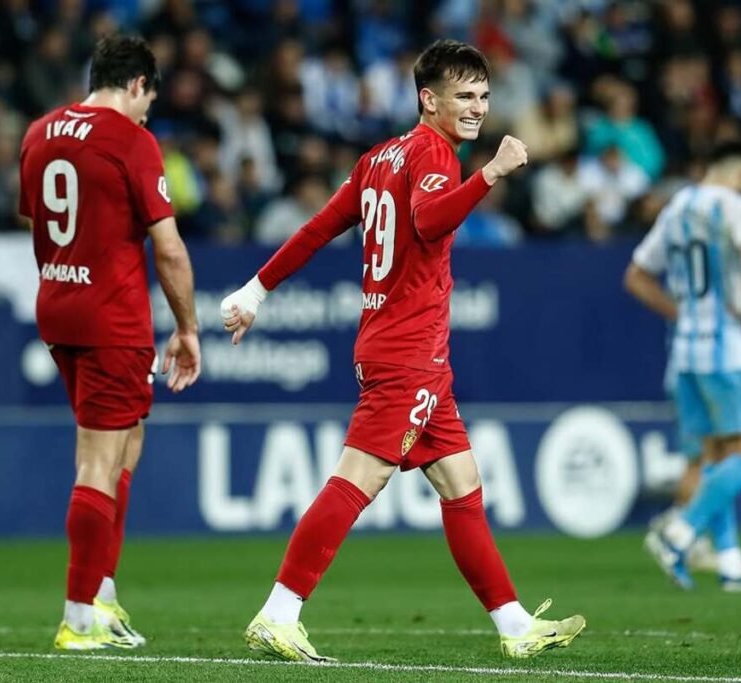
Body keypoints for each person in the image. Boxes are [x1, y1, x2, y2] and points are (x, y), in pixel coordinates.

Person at [220, 39, 585, 662]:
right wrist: (491, 173)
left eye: (483, 95)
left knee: (461, 483)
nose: (477, 107)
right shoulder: (434, 154)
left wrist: (256, 289)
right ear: (428, 99)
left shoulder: (378, 157)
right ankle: (279, 612)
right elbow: (427, 220)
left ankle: (514, 624)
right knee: (358, 478)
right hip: (407, 351)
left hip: (412, 354)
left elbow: (318, 228)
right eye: (463, 96)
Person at [18, 34, 201, 650]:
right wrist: (187, 328)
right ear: (138, 84)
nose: (147, 113)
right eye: (149, 99)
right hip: (111, 318)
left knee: (126, 440)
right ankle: (78, 618)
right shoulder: (131, 140)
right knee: (98, 460)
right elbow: (169, 249)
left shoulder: (39, 133)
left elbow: (37, 220)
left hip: (58, 308)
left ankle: (102, 592)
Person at [625, 141, 741, 592]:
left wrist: (680, 314)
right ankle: (679, 532)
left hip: (686, 353)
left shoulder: (676, 207)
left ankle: (732, 565)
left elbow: (636, 277)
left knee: (714, 456)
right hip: (728, 352)